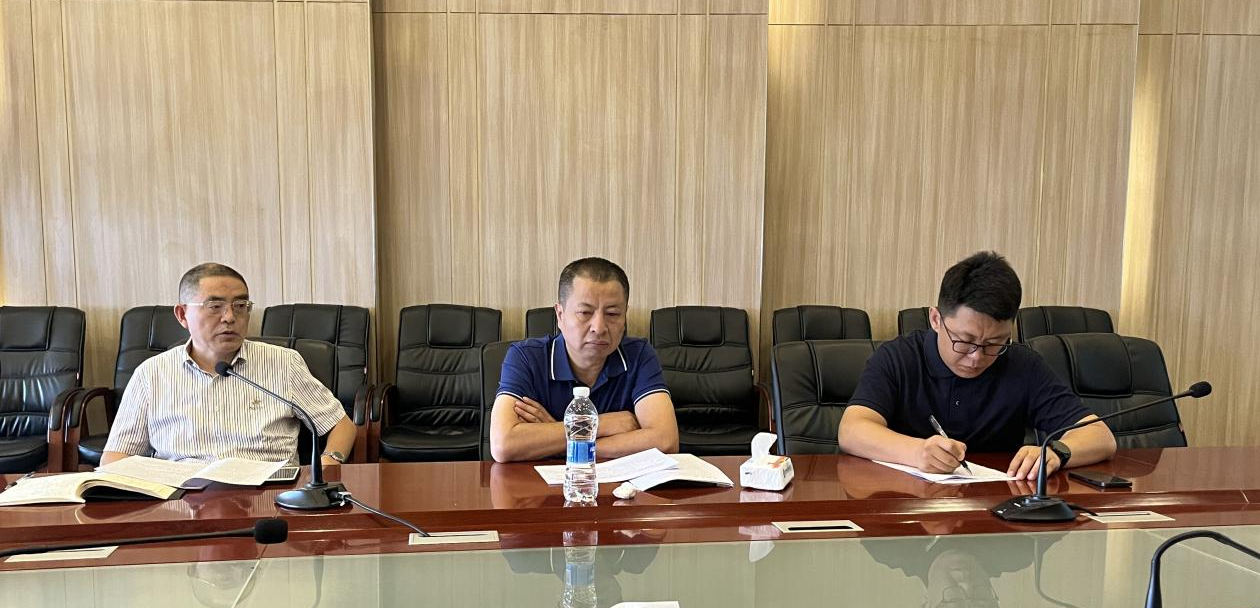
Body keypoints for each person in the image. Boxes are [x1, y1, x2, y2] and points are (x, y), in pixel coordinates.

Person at [838, 251, 1116, 479]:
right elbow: (851, 431)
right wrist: (917, 452)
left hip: (995, 508)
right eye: (965, 341)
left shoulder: (1023, 365)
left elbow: (1100, 437)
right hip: (903, 508)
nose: (976, 357)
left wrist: (1055, 452)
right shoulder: (898, 357)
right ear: (936, 320)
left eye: (994, 343)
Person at [102, 263, 355, 467]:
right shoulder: (151, 374)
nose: (230, 317)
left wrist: (329, 461)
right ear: (182, 315)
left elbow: (341, 425)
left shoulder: (283, 364)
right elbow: (116, 456)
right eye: (215, 306)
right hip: (182, 501)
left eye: (240, 306)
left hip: (268, 497)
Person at [490, 257, 678, 462]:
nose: (599, 327)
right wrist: (601, 424)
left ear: (625, 316)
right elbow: (503, 444)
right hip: (537, 482)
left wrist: (560, 439)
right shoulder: (525, 357)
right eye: (585, 312)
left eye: (612, 313)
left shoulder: (639, 355)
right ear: (560, 315)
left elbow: (665, 441)